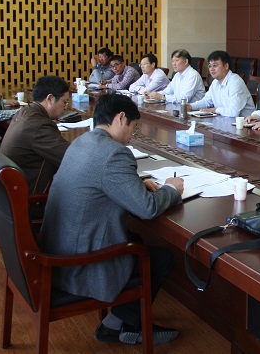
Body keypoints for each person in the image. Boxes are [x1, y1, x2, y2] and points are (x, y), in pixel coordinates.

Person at [40, 94, 184, 346]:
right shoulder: (115, 153)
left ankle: (121, 321)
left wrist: (135, 184)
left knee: (136, 239)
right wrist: (172, 189)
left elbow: (95, 181)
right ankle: (120, 325)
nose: (131, 136)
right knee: (161, 258)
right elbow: (148, 208)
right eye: (133, 127)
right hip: (79, 264)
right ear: (120, 118)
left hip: (57, 248)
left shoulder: (82, 141)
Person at [0, 76, 71, 194]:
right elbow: (70, 158)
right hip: (30, 197)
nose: (66, 106)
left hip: (12, 189)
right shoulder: (39, 125)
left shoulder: (25, 112)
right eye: (64, 101)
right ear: (50, 99)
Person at [189, 50, 255, 117]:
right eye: (209, 66)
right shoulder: (215, 82)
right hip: (224, 120)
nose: (211, 69)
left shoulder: (235, 82)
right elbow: (206, 101)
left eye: (215, 65)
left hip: (244, 122)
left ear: (226, 66)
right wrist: (190, 106)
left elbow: (233, 112)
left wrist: (215, 110)